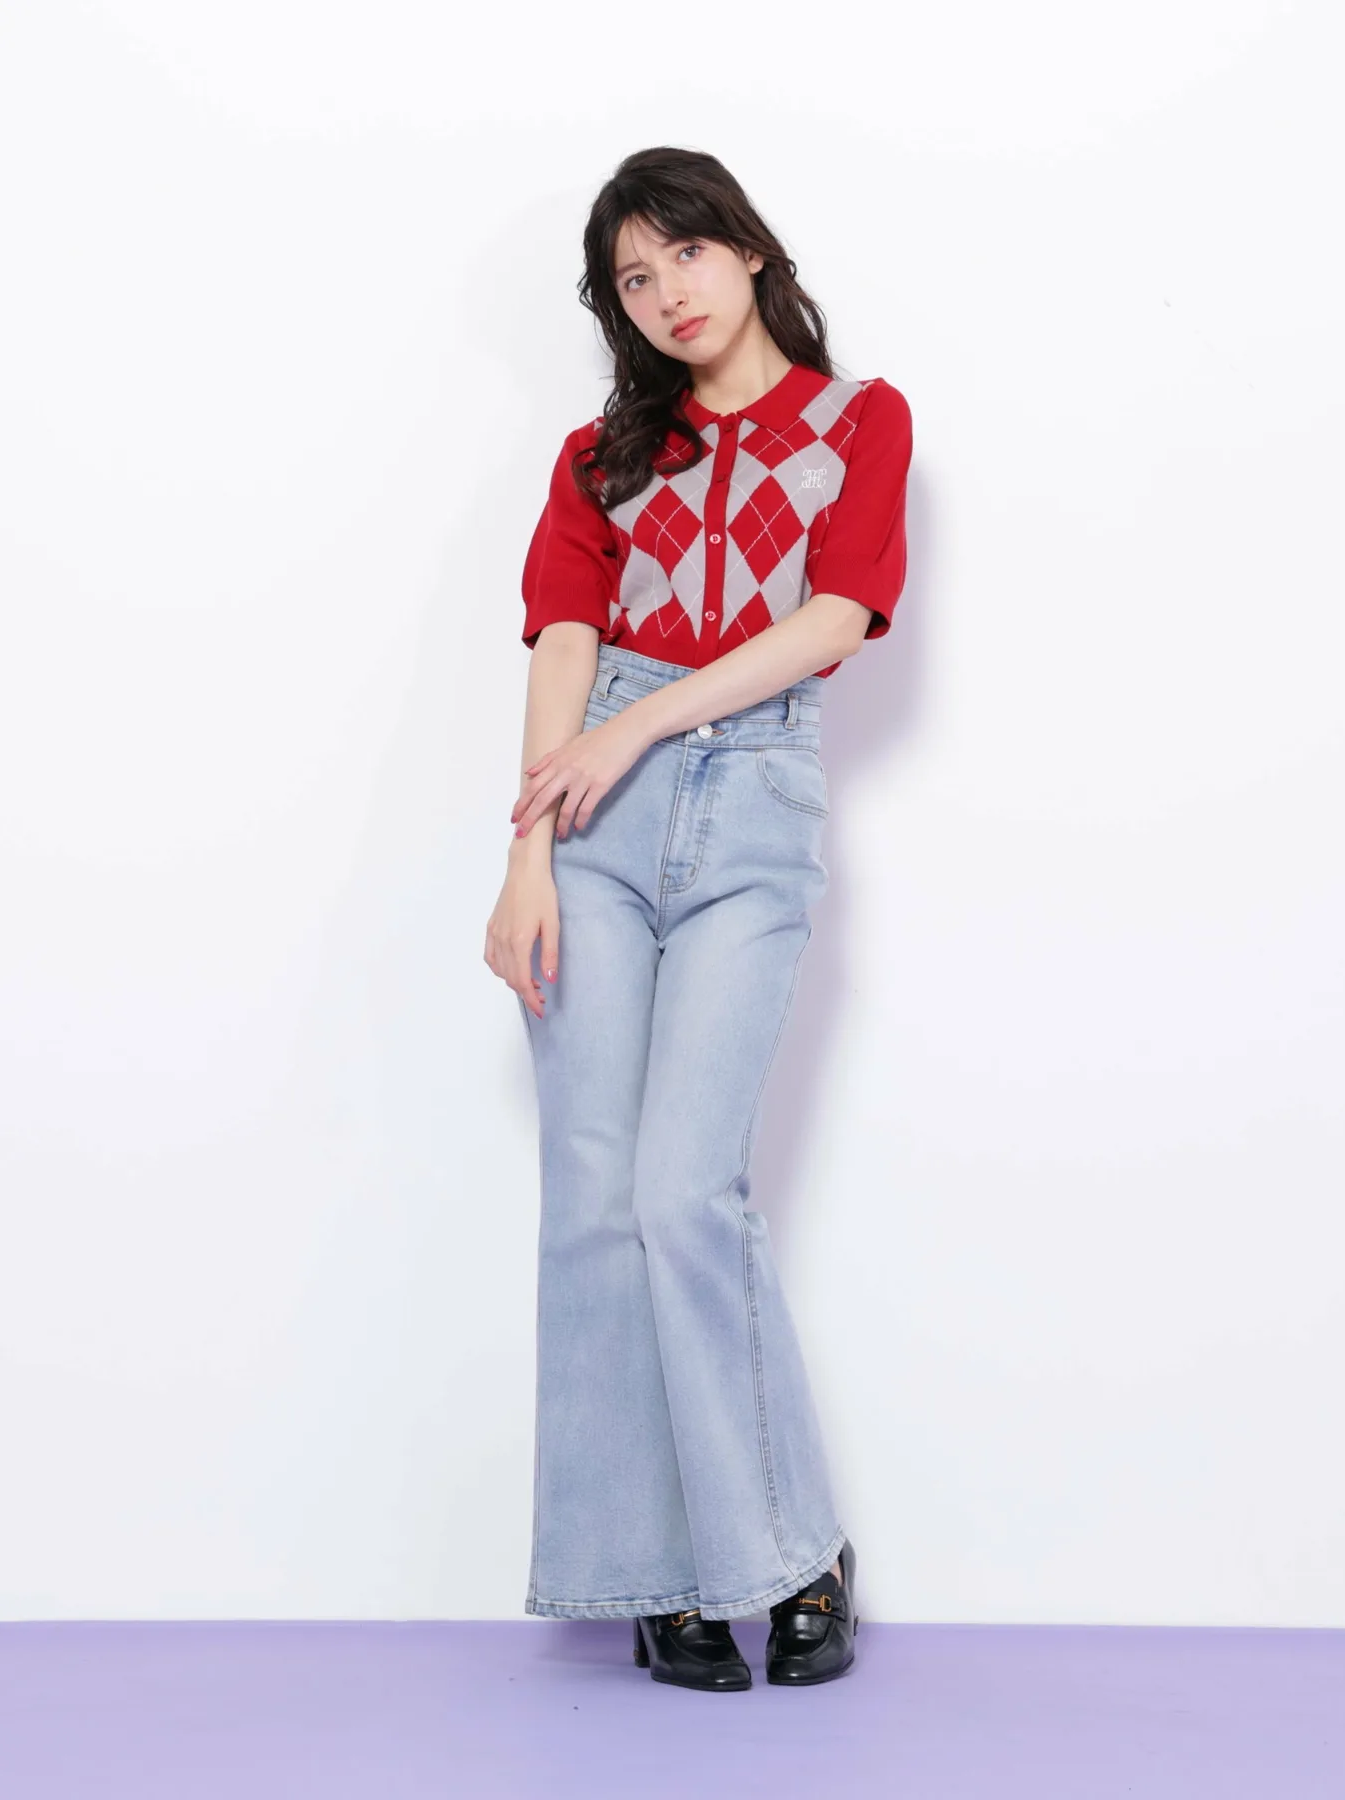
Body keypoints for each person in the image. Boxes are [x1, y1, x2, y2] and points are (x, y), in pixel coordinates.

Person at [484, 146, 912, 1692]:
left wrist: (642, 727)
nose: (666, 292)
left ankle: (790, 1555)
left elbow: (837, 616)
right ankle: (652, 1575)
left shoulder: (858, 422)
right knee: (594, 1202)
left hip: (746, 802)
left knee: (684, 1194)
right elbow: (563, 634)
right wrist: (528, 860)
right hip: (591, 829)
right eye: (634, 278)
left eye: (686, 253)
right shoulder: (602, 455)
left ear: (749, 249)